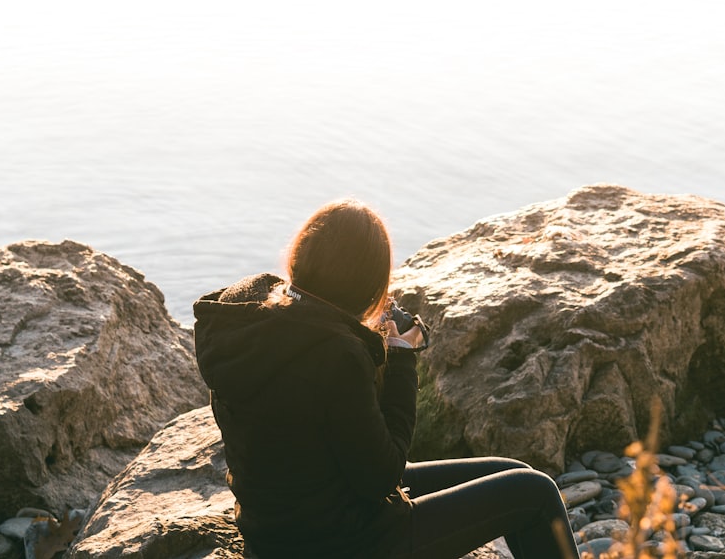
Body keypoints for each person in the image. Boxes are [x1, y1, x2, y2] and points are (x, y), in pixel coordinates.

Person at [193, 199, 580, 559]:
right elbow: (382, 477)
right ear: (367, 284)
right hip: (339, 542)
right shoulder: (336, 354)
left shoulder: (238, 314)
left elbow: (334, 439)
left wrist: (357, 332)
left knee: (513, 472)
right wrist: (399, 355)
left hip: (279, 526)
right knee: (536, 493)